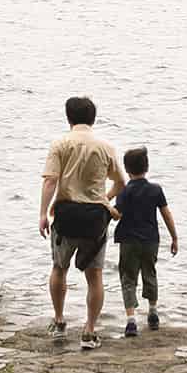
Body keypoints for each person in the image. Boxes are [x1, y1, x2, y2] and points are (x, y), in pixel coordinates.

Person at [39, 95, 125, 351]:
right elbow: (121, 183)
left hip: (65, 214)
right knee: (95, 275)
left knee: (59, 268)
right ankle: (89, 330)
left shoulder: (60, 144)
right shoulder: (105, 147)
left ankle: (59, 319)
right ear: (93, 118)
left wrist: (43, 214)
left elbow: (50, 181)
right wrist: (103, 199)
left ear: (69, 117)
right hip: (95, 219)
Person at [110, 145, 178, 336]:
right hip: (150, 241)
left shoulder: (125, 191)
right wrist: (174, 237)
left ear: (127, 169)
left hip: (129, 241)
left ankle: (131, 321)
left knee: (128, 278)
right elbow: (166, 215)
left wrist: (106, 205)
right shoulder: (155, 190)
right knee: (150, 273)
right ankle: (153, 312)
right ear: (146, 167)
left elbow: (117, 215)